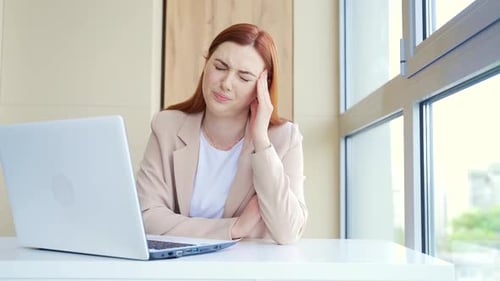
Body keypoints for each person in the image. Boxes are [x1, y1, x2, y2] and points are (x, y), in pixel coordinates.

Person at [136, 23, 307, 244]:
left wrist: (261, 142)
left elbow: (288, 233)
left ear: (263, 87)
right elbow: (146, 217)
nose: (226, 83)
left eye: (244, 77)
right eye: (220, 67)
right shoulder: (167, 126)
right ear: (206, 65)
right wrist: (234, 228)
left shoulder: (284, 138)